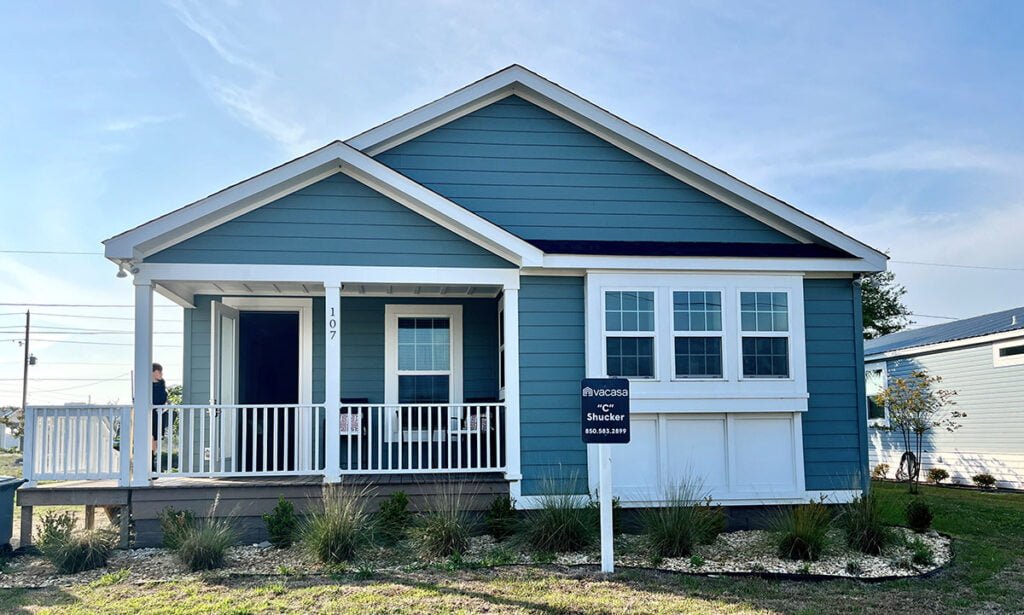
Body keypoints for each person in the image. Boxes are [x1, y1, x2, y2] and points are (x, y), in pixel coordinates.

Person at [151, 363, 169, 455]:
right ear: (153, 372)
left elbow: (163, 398)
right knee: (150, 436)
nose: (161, 374)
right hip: (150, 413)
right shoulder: (147, 384)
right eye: (159, 371)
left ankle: (153, 457)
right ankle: (149, 456)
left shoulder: (161, 383)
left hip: (159, 413)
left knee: (157, 437)